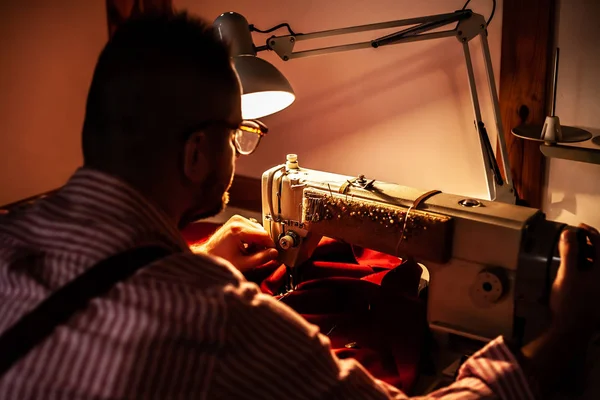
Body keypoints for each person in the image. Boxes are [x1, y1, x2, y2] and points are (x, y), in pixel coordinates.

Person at [0, 11, 597, 400]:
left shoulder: (11, 236)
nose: (241, 150)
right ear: (196, 154)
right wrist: (567, 332)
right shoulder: (210, 315)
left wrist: (206, 256)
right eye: (239, 135)